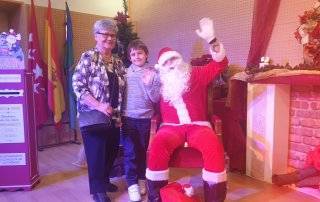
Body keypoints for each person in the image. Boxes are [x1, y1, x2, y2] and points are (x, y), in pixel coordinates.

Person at [146, 17, 228, 202]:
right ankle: (157, 198)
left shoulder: (196, 74)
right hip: (170, 127)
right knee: (158, 145)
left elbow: (219, 64)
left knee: (213, 145)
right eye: (166, 63)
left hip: (198, 126)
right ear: (162, 68)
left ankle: (215, 198)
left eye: (174, 59)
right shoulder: (160, 82)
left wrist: (212, 39)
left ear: (180, 58)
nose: (172, 64)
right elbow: (149, 101)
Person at [72, 19, 126, 202]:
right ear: (96, 36)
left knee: (110, 150)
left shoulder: (117, 62)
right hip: (93, 115)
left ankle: (104, 180)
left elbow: (124, 86)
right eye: (105, 34)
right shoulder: (88, 57)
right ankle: (98, 191)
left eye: (112, 35)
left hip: (114, 116)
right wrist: (99, 105)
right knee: (96, 153)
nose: (109, 38)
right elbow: (78, 86)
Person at [121, 39, 161, 201]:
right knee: (130, 152)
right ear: (129, 57)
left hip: (146, 119)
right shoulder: (124, 73)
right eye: (133, 54)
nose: (136, 56)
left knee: (143, 152)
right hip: (128, 118)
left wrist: (149, 84)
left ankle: (141, 179)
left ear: (146, 55)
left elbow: (156, 98)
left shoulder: (153, 73)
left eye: (139, 53)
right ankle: (132, 184)